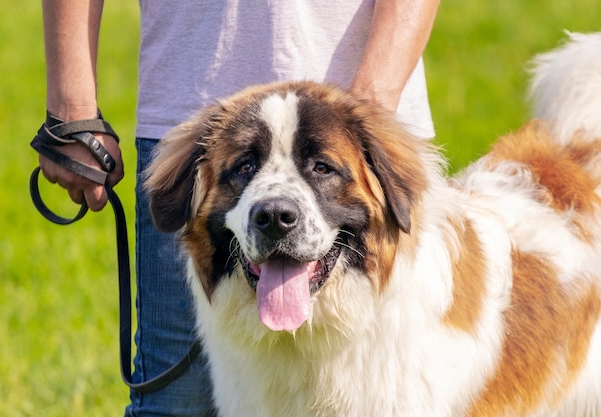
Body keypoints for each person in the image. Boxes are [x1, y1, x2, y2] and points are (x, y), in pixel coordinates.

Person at [38, 1, 439, 416]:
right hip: (192, 118)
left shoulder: (372, 141)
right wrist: (71, 109)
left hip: (369, 129)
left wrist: (369, 105)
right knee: (179, 404)